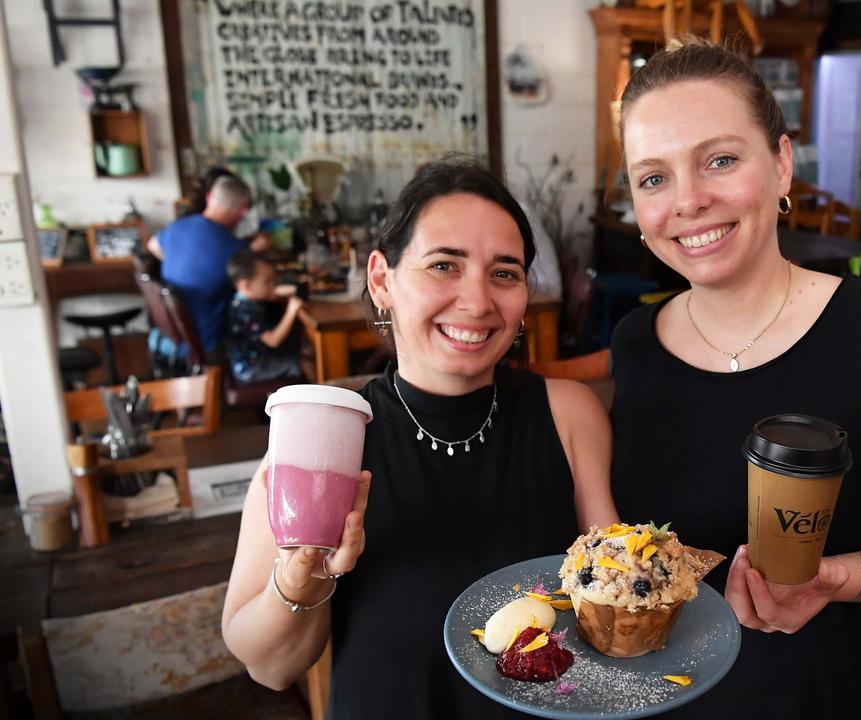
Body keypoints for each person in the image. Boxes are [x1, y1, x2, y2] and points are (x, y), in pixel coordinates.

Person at [609, 38, 861, 719]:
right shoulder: (635, 345)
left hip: (817, 699)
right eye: (654, 178)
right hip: (656, 700)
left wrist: (835, 580)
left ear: (783, 164)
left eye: (720, 160)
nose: (689, 200)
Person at [222, 160, 618, 718]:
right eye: (444, 266)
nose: (478, 302)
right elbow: (269, 667)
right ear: (382, 279)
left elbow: (614, 601)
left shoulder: (567, 414)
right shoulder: (327, 439)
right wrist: (300, 587)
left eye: (504, 273)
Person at [148, 175, 269, 354]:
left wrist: (183, 260)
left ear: (209, 198)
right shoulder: (234, 249)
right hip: (205, 344)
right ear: (242, 211)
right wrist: (257, 248)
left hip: (167, 337)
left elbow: (152, 244)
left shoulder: (177, 227)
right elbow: (260, 288)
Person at [224, 251, 304, 383]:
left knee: (301, 348)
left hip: (257, 359)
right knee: (299, 364)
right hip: (251, 369)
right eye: (268, 282)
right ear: (247, 285)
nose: (274, 285)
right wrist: (291, 311)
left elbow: (272, 293)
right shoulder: (244, 312)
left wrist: (279, 292)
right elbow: (273, 341)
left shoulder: (241, 302)